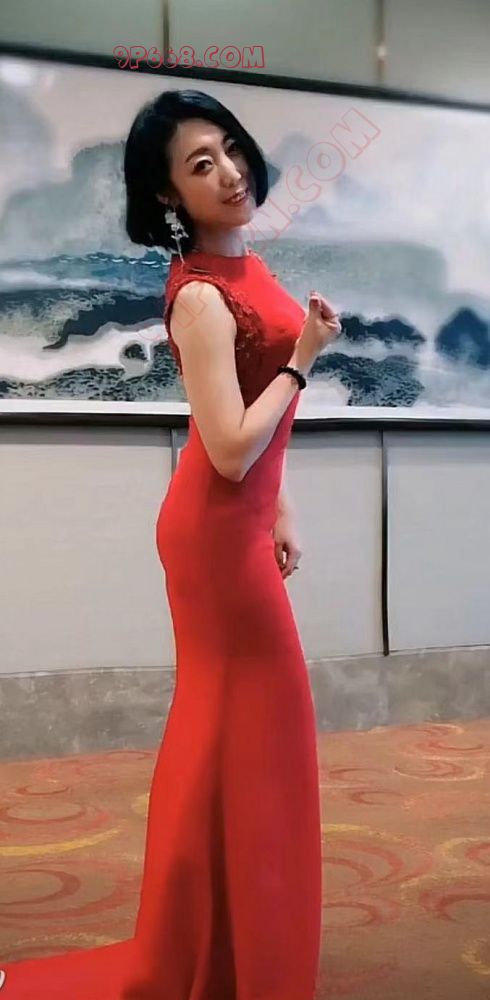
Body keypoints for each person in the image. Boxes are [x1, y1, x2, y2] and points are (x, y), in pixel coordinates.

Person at [0, 88, 341, 999]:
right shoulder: (198, 295)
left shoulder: (244, 267)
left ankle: (221, 945)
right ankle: (209, 948)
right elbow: (227, 446)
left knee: (238, 734)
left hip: (239, 524)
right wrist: (305, 358)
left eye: (229, 149)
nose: (229, 172)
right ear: (168, 197)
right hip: (213, 540)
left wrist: (281, 507)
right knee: (251, 730)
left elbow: (250, 426)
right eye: (200, 165)